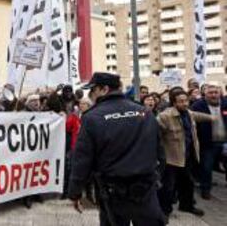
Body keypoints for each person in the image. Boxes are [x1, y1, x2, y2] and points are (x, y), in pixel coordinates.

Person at [68, 72, 165, 226]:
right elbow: (160, 152)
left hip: (113, 191)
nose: (91, 95)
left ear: (104, 89)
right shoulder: (144, 112)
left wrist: (75, 192)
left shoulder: (92, 117)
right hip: (144, 188)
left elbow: (82, 159)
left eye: (92, 90)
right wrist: (158, 177)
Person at [157, 89, 213, 217]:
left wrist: (214, 117)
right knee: (168, 187)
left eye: (186, 101)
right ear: (174, 103)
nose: (185, 103)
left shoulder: (189, 113)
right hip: (171, 159)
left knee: (187, 183)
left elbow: (199, 116)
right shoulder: (165, 116)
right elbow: (155, 135)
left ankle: (186, 206)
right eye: (181, 101)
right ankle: (164, 211)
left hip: (187, 157)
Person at [191, 83, 227, 199]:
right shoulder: (198, 106)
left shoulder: (225, 104)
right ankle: (205, 189)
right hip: (207, 143)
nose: (213, 95)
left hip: (225, 142)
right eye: (210, 93)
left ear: (219, 93)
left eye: (216, 92)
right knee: (207, 167)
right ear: (205, 95)